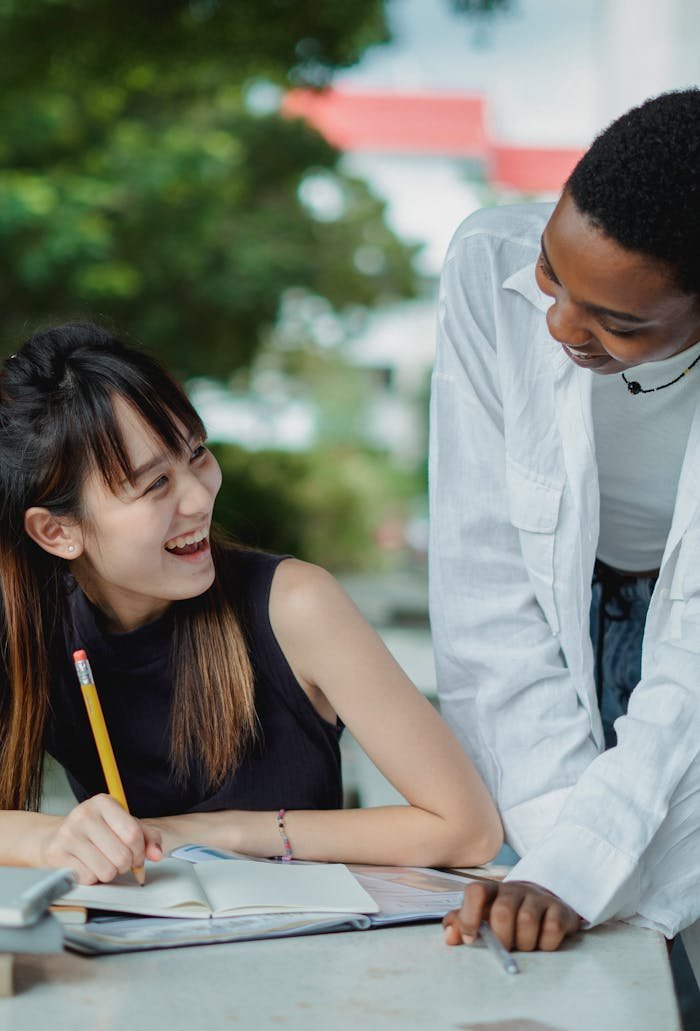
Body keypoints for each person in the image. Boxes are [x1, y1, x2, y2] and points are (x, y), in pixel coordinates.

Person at [0, 321, 502, 885]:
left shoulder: (296, 605)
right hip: (132, 958)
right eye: (155, 485)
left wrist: (217, 831)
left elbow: (467, 828)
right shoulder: (30, 628)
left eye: (197, 454)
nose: (199, 495)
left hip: (303, 961)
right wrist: (53, 837)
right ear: (55, 532)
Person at [429, 89, 700, 953]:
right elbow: (482, 580)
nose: (559, 325)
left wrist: (581, 865)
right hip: (564, 626)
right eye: (552, 272)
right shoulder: (486, 261)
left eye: (619, 324)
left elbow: (692, 653)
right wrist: (558, 850)